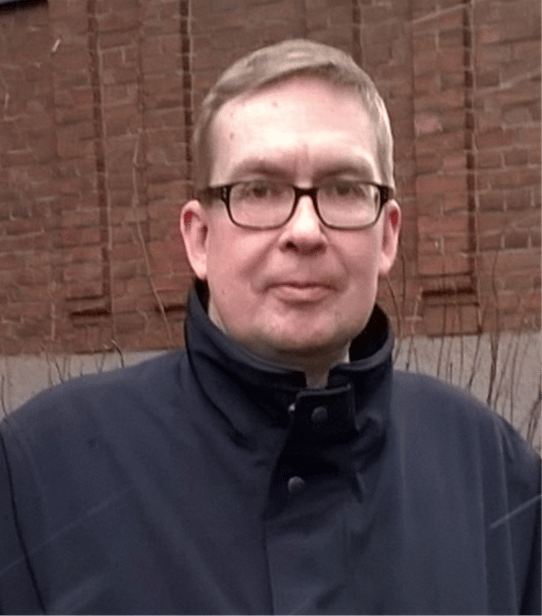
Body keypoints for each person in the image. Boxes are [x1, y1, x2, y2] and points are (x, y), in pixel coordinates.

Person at [0, 39, 540, 615]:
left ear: (387, 236)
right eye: (259, 190)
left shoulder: (492, 473)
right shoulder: (40, 477)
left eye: (344, 188)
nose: (305, 231)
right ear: (199, 238)